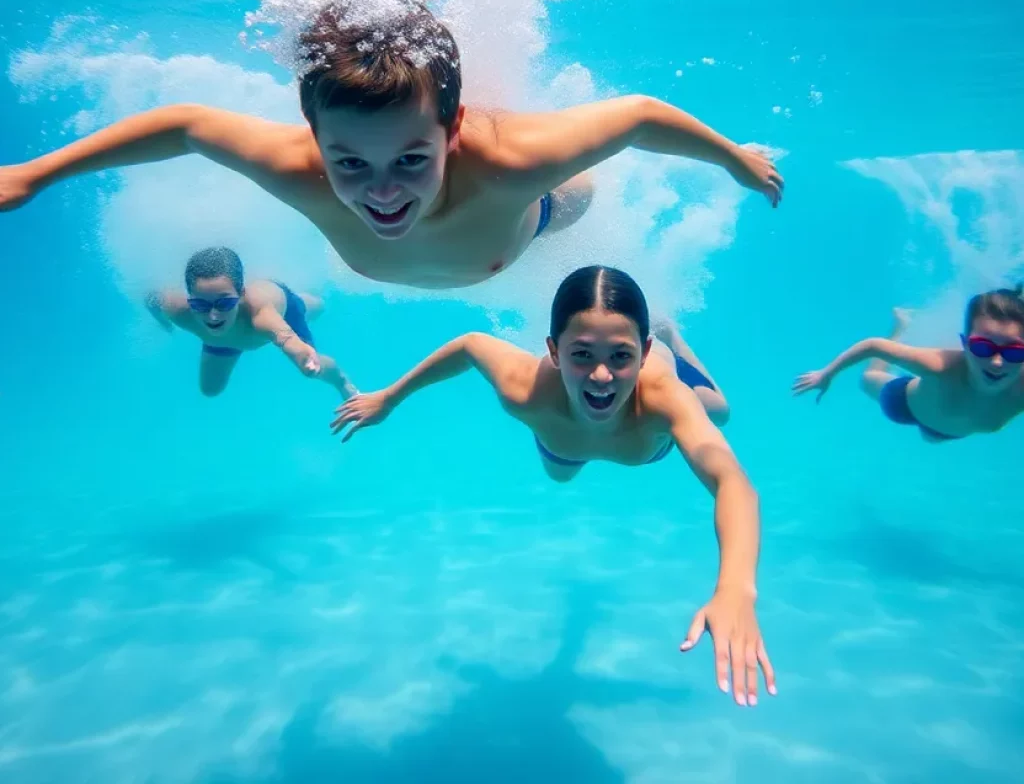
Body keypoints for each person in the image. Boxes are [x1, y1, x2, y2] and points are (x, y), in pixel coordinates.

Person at [0, 0, 783, 290]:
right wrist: (33, 175)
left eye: (410, 159)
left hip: (535, 215)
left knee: (579, 195)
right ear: (315, 140)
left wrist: (735, 161)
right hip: (472, 227)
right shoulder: (293, 169)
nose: (380, 191)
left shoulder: (513, 162)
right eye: (350, 162)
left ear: (453, 129)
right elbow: (183, 128)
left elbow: (642, 116)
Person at [332, 265, 773, 706]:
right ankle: (585, 406)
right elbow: (468, 345)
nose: (601, 375)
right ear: (553, 351)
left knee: (719, 411)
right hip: (563, 442)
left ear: (642, 352)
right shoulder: (523, 388)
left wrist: (735, 587)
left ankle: (674, 340)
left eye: (621, 356)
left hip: (655, 413)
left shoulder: (664, 399)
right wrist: (388, 397)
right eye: (582, 354)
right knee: (560, 474)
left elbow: (731, 480)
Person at [792, 287, 1024, 441]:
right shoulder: (940, 367)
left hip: (946, 432)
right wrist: (826, 374)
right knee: (867, 378)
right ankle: (900, 326)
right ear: (964, 344)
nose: (996, 362)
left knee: (931, 439)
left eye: (1014, 351)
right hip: (902, 405)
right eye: (983, 347)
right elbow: (873, 345)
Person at [147, 246, 357, 400]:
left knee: (313, 318)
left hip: (286, 310)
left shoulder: (261, 315)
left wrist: (303, 356)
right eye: (200, 304)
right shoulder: (178, 310)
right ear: (189, 297)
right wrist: (162, 322)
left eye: (225, 303)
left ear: (241, 294)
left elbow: (287, 338)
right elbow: (152, 300)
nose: (213, 316)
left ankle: (342, 381)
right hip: (224, 340)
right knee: (210, 390)